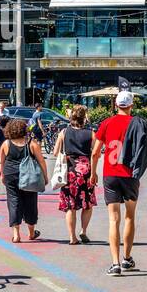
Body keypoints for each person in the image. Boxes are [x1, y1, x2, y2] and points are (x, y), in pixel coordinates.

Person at [91, 90, 147, 276]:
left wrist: (93, 173)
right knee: (130, 216)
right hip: (130, 175)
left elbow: (95, 152)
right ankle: (126, 259)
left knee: (113, 220)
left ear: (115, 105)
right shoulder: (136, 123)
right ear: (131, 106)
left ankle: (115, 264)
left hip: (111, 174)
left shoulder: (107, 123)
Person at [0, 116, 46, 244]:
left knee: (13, 201)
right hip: (29, 176)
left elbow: (1, 162)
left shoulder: (6, 144)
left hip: (10, 174)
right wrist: (45, 176)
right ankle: (31, 233)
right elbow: (41, 161)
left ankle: (16, 234)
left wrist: (2, 175)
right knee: (30, 201)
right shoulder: (31, 143)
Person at [54, 105, 95, 245]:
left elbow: (55, 152)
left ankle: (72, 237)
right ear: (85, 117)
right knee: (87, 204)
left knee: (70, 206)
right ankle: (83, 231)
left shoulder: (64, 132)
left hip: (69, 172)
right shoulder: (91, 133)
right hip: (85, 172)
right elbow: (95, 154)